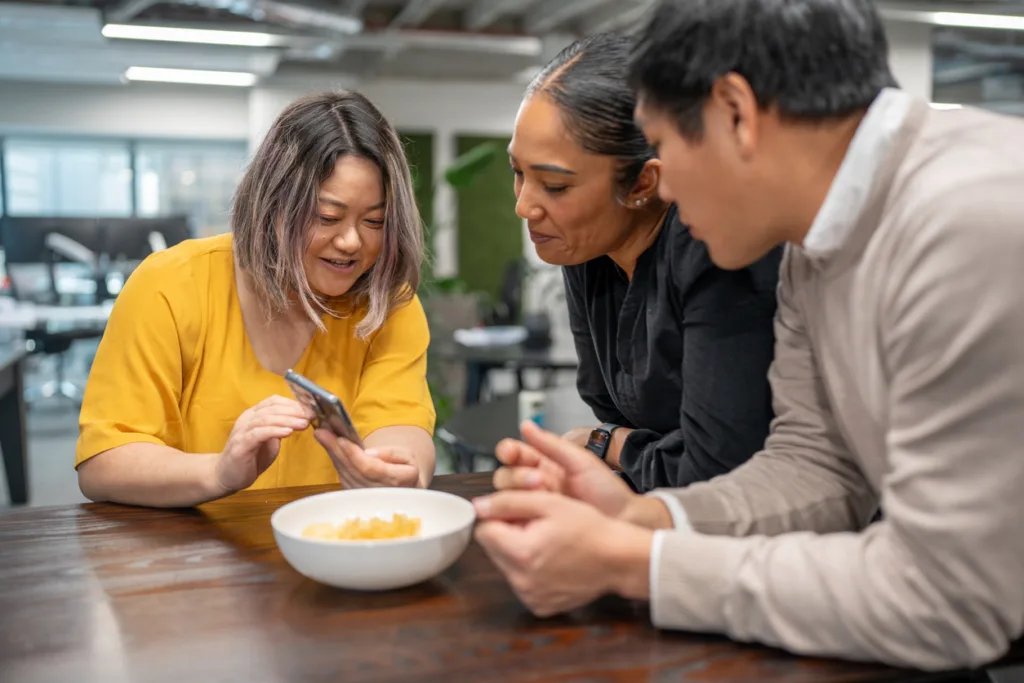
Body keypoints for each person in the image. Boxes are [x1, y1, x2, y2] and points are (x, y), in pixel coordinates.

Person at [472, 0, 1024, 671]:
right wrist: (643, 520)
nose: (662, 185)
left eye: (665, 145)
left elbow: (947, 600)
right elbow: (815, 466)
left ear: (735, 112)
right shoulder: (811, 244)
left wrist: (639, 562)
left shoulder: (966, 221)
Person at [76, 91, 437, 507]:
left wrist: (397, 469)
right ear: (272, 204)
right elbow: (104, 463)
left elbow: (401, 424)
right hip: (190, 543)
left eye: (375, 221)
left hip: (330, 539)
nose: (352, 241)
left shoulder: (387, 305)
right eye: (327, 217)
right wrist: (219, 472)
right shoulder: (169, 285)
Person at [510, 33, 780, 492]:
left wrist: (606, 443)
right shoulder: (584, 246)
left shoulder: (716, 246)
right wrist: (623, 443)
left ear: (642, 183)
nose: (524, 206)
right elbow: (611, 409)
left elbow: (715, 468)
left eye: (554, 186)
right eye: (518, 172)